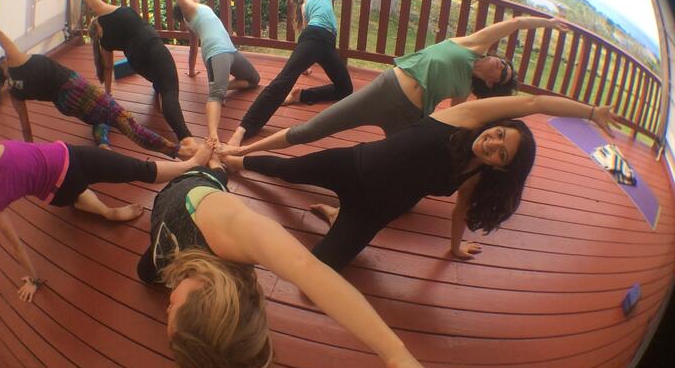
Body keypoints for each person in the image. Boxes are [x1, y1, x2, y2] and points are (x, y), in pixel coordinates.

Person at [137, 146, 463, 368]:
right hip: (187, 185)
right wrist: (394, 353)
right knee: (212, 175)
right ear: (206, 294)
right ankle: (217, 164)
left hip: (174, 229)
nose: (168, 308)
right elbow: (309, 270)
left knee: (148, 268)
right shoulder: (226, 228)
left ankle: (216, 164)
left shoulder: (208, 248)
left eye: (170, 313)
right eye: (174, 309)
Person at [223, 95, 619, 271]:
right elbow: (533, 104)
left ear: (500, 169)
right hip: (350, 165)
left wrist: (455, 247)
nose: (493, 144)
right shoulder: (464, 118)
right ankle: (235, 160)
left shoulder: (474, 173)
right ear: (495, 125)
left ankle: (336, 214)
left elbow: (460, 209)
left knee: (320, 270)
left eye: (502, 154)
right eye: (499, 135)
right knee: (287, 171)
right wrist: (589, 112)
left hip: (371, 212)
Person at [0, 125, 213, 303]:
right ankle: (191, 165)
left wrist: (34, 279)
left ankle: (106, 212)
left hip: (60, 194)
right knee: (138, 169)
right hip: (71, 160)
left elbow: (15, 245)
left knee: (80, 196)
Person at [220, 16, 569, 157]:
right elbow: (515, 24)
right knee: (313, 129)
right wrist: (549, 23)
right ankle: (243, 152)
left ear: (492, 83)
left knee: (393, 164)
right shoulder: (472, 45)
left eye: (503, 73)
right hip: (386, 90)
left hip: (409, 116)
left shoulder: (464, 89)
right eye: (504, 63)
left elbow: (454, 119)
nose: (500, 65)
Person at [0, 22, 192, 159]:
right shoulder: (15, 61)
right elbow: (4, 40)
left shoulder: (14, 93)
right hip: (77, 88)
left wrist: (31, 151)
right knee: (126, 122)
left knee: (98, 119)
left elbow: (26, 128)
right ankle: (178, 151)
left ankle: (102, 143)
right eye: (4, 59)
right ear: (3, 65)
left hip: (65, 105)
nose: (6, 56)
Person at [225, 0, 353, 148]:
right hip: (316, 36)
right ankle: (242, 131)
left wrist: (306, 65)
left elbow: (306, 48)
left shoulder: (307, 4)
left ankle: (300, 95)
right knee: (282, 82)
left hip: (326, 44)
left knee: (345, 89)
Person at [64, 0, 199, 154]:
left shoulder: (103, 44)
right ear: (96, 21)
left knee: (161, 84)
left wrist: (108, 93)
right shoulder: (104, 12)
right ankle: (186, 138)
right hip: (150, 46)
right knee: (169, 90)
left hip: (138, 62)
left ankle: (160, 92)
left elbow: (108, 68)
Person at [150, 0, 261, 142]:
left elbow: (193, 49)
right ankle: (212, 137)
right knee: (216, 95)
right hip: (216, 53)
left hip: (230, 51)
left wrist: (191, 71)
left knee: (254, 79)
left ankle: (221, 86)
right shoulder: (189, 9)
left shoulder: (193, 19)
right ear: (184, 4)